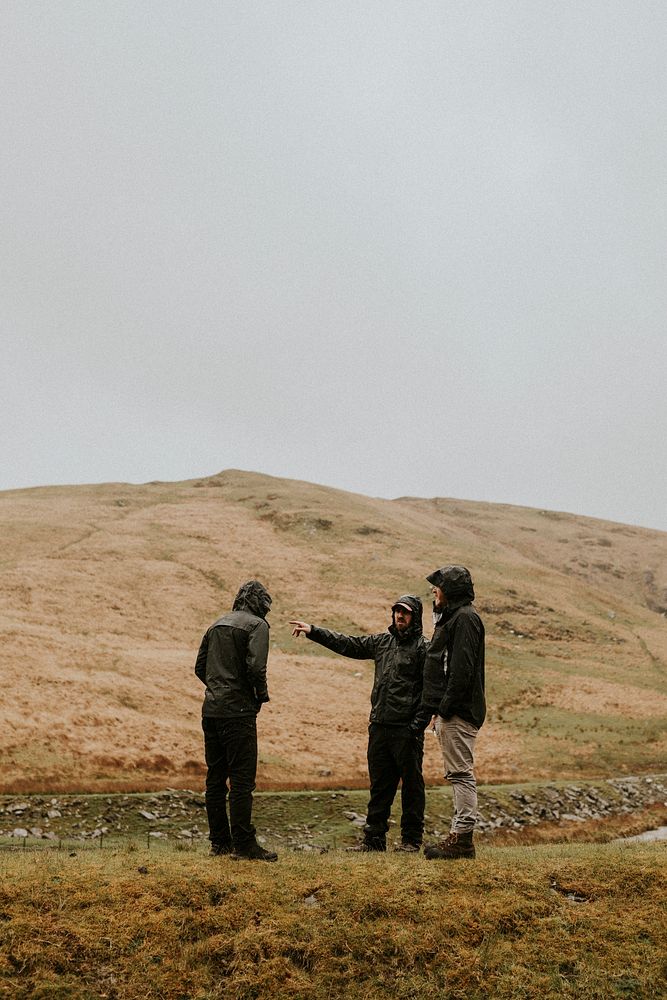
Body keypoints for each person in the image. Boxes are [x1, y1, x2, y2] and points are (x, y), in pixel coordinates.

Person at [290, 595, 430, 852]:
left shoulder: (423, 648)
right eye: (397, 611)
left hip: (406, 730)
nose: (400, 616)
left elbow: (431, 691)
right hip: (379, 726)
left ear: (416, 617)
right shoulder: (382, 642)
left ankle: (411, 841)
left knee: (412, 786)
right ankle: (374, 841)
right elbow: (349, 644)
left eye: (406, 613)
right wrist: (313, 631)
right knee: (379, 785)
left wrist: (416, 726)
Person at [194, 579, 278, 862]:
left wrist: (217, 687)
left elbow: (199, 666)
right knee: (242, 780)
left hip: (212, 710)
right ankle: (244, 845)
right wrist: (260, 696)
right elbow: (256, 666)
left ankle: (220, 843)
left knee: (215, 779)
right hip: (239, 713)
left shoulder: (216, 624)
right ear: (260, 602)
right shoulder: (257, 626)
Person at [420, 565, 485, 860]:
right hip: (453, 709)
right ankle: (459, 837)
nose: (434, 590)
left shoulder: (466, 619)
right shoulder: (455, 617)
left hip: (458, 710)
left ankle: (462, 840)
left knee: (460, 774)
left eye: (440, 586)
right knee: (458, 773)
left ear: (451, 590)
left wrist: (444, 707)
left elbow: (460, 671)